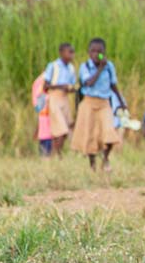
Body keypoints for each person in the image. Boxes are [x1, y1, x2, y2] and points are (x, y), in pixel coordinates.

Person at [71, 38, 126, 171]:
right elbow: (88, 83)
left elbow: (113, 85)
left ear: (103, 52)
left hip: (104, 103)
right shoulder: (85, 67)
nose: (96, 54)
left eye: (99, 51)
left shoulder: (109, 66)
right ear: (89, 53)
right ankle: (92, 165)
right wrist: (100, 68)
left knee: (109, 132)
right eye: (93, 51)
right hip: (89, 103)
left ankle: (105, 159)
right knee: (90, 135)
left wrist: (122, 101)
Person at [43, 43, 76, 157]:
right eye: (69, 52)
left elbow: (72, 85)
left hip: (65, 98)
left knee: (66, 129)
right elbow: (46, 86)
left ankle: (53, 155)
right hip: (54, 98)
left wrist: (72, 89)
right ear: (61, 53)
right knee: (61, 130)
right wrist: (60, 86)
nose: (72, 55)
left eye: (73, 52)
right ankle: (58, 155)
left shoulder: (71, 68)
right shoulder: (53, 66)